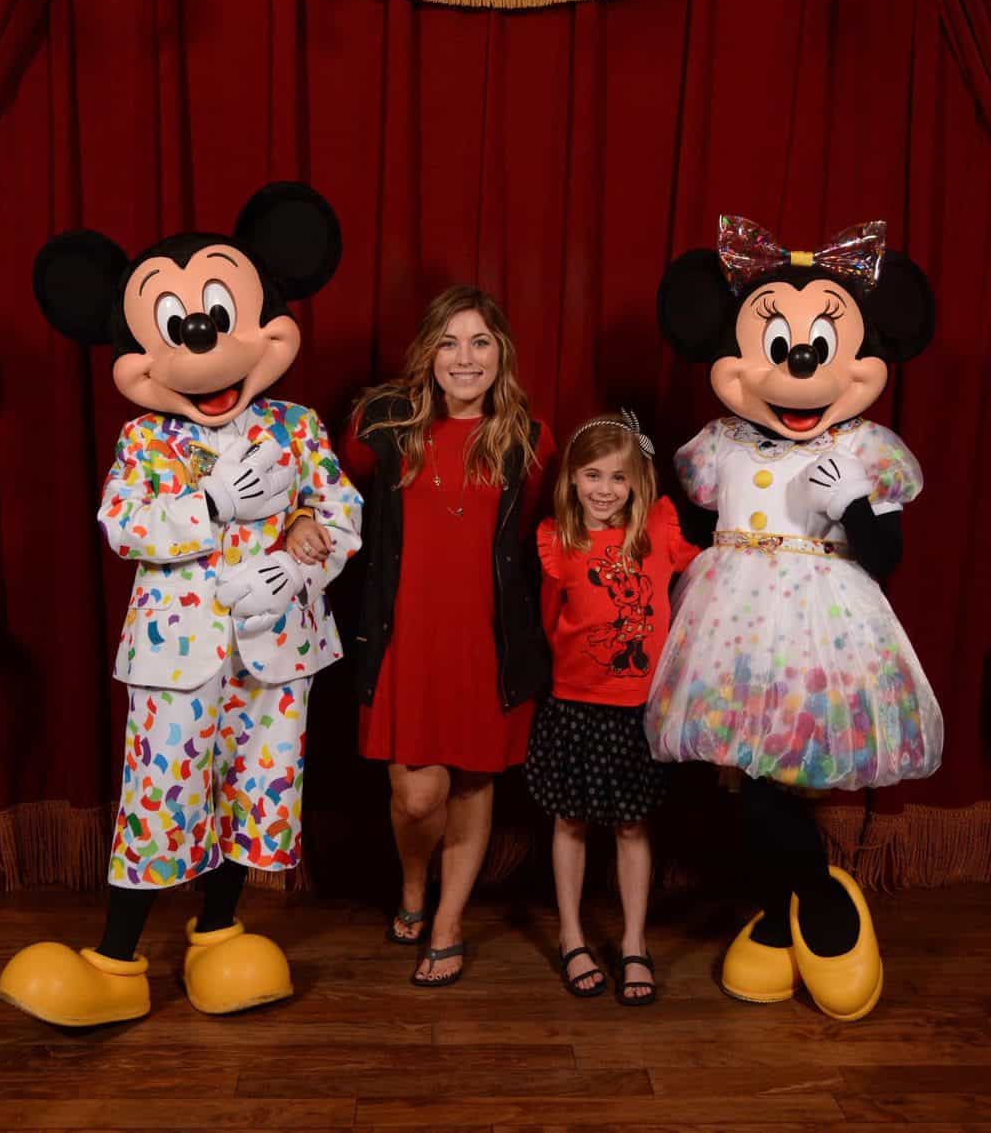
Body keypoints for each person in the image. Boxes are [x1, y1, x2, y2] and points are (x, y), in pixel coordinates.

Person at [0, 185, 362, 1027]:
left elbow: (341, 513)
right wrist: (212, 509)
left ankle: (218, 933)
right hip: (177, 654)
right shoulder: (144, 438)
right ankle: (116, 962)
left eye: (223, 314)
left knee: (253, 787)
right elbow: (123, 526)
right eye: (172, 326)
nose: (204, 344)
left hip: (279, 648)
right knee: (161, 797)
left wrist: (303, 559)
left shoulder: (298, 426)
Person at [648, 215, 942, 1022]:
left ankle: (815, 903)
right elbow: (695, 531)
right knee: (746, 782)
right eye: (779, 347)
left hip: (822, 627)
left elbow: (885, 559)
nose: (801, 368)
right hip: (733, 626)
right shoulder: (720, 447)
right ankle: (788, 910)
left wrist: (849, 500)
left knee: (776, 785)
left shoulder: (867, 449)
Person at [289, 285, 554, 987]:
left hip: (487, 642)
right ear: (427, 353)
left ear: (502, 354)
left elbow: (530, 539)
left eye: (480, 342)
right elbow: (330, 498)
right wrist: (297, 521)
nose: (464, 358)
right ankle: (414, 884)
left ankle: (447, 922)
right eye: (449, 342)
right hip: (402, 638)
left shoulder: (527, 437)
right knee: (416, 798)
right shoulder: (381, 426)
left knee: (471, 788)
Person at [524, 411, 699, 1006]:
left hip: (638, 708)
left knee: (631, 825)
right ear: (572, 479)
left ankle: (633, 943)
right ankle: (573, 936)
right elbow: (550, 622)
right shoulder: (557, 540)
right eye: (592, 475)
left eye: (618, 478)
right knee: (570, 822)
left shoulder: (658, 528)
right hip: (576, 704)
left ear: (638, 484)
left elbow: (707, 574)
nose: (604, 489)